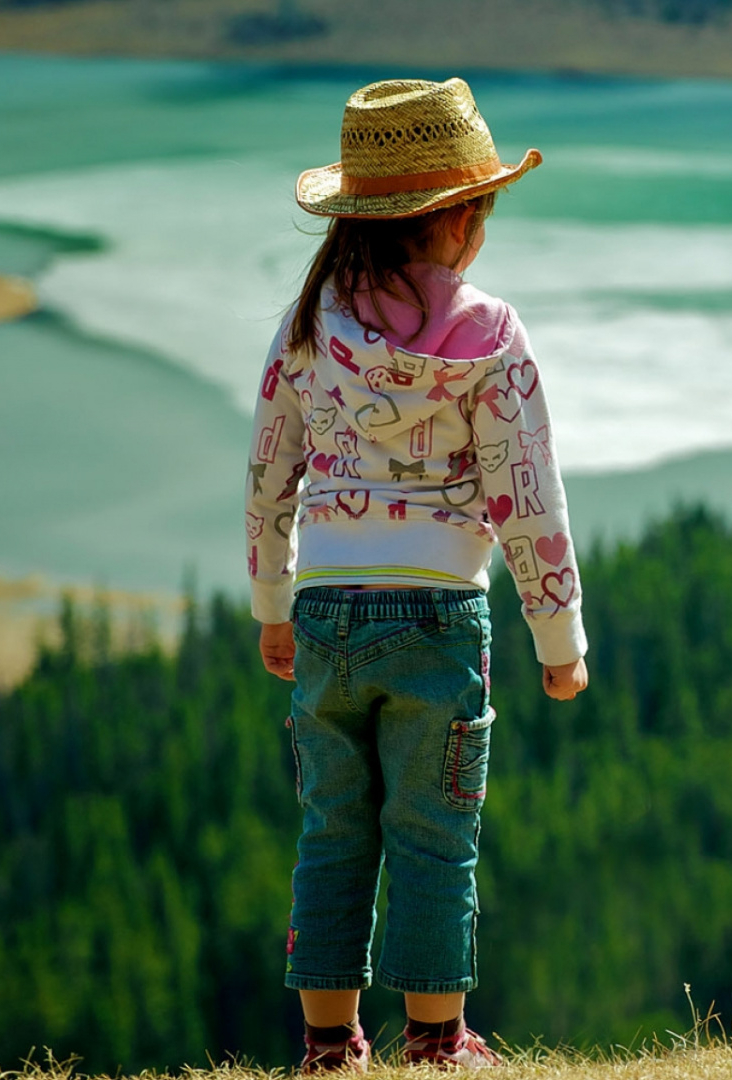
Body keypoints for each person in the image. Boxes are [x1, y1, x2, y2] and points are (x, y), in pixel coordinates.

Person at [245, 76, 588, 1072]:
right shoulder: (491, 338)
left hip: (324, 616)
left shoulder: (309, 326)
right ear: (467, 218)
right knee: (437, 834)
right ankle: (437, 1040)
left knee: (333, 830)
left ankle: (326, 1045)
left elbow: (269, 472)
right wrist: (558, 642)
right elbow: (529, 500)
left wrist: (274, 604)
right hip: (441, 616)